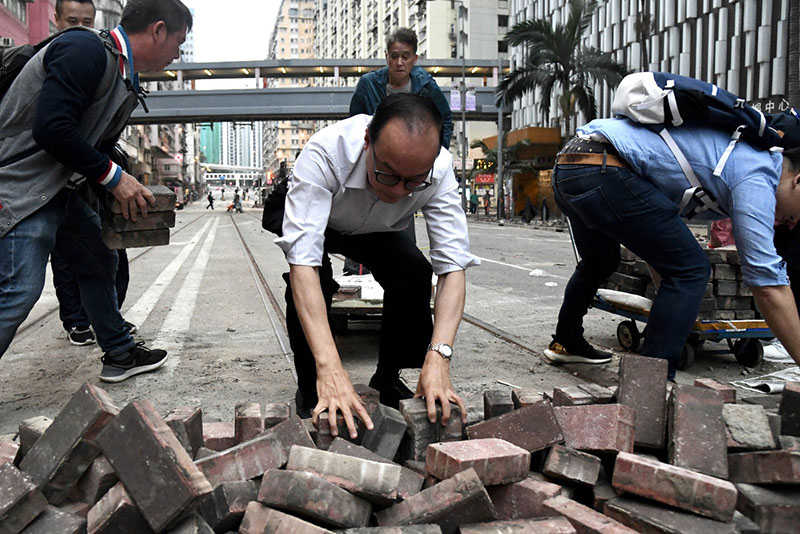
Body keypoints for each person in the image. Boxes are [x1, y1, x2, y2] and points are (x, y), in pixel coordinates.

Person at [0, 0, 192, 382]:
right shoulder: (84, 50)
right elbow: (52, 129)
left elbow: (90, 140)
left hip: (59, 190)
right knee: (19, 289)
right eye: (178, 41)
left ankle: (119, 352)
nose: (178, 53)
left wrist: (112, 178)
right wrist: (114, 177)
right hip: (21, 186)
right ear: (157, 30)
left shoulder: (122, 72)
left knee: (98, 258)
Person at [270, 93, 478, 439]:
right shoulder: (326, 152)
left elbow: (453, 265)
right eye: (388, 175)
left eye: (413, 182)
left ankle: (388, 374)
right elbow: (303, 262)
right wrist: (332, 368)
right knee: (312, 282)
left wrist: (439, 356)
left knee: (413, 272)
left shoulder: (439, 169)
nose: (399, 191)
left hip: (377, 227)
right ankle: (311, 385)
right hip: (323, 218)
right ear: (368, 141)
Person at [545, 116, 800, 380]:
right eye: (794, 216)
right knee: (692, 269)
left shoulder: (732, 157)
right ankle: (648, 385)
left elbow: (661, 254)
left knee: (599, 261)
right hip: (605, 169)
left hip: (570, 165)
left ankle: (566, 342)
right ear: (798, 180)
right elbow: (769, 286)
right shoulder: (758, 174)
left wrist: (674, 308)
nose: (787, 223)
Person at [349, 28, 453, 149]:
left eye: (405, 57)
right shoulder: (368, 84)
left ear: (414, 59)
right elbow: (354, 124)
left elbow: (445, 120)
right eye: (394, 56)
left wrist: (437, 156)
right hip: (377, 157)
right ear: (387, 57)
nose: (399, 62)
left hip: (414, 156)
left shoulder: (426, 86)